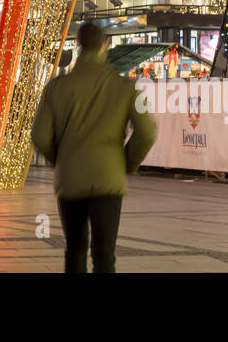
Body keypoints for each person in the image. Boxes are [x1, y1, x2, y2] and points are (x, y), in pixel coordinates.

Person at [31, 22, 157, 273]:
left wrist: (62, 158)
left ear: (77, 45)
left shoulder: (56, 88)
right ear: (104, 46)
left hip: (71, 179)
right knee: (104, 254)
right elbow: (147, 131)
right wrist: (126, 162)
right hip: (108, 179)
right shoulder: (126, 87)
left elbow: (39, 135)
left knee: (75, 249)